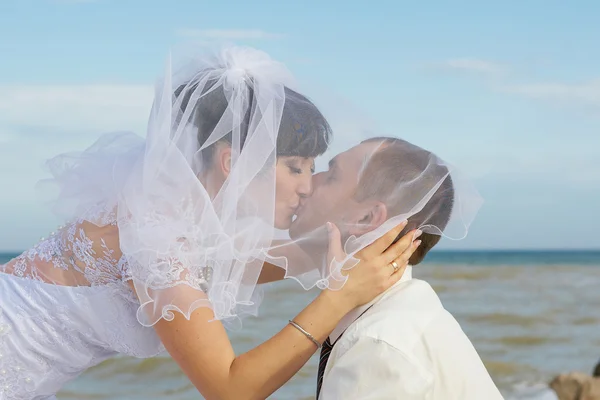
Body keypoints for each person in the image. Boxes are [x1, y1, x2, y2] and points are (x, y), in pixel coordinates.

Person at [0, 46, 420, 400]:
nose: (308, 187)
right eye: (296, 168)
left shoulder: (164, 205)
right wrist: (339, 298)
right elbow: (229, 387)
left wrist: (341, 242)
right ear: (233, 162)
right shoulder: (156, 233)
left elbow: (228, 262)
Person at [288, 137, 503, 399]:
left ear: (366, 218)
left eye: (331, 176)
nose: (309, 183)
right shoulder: (395, 317)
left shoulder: (379, 347)